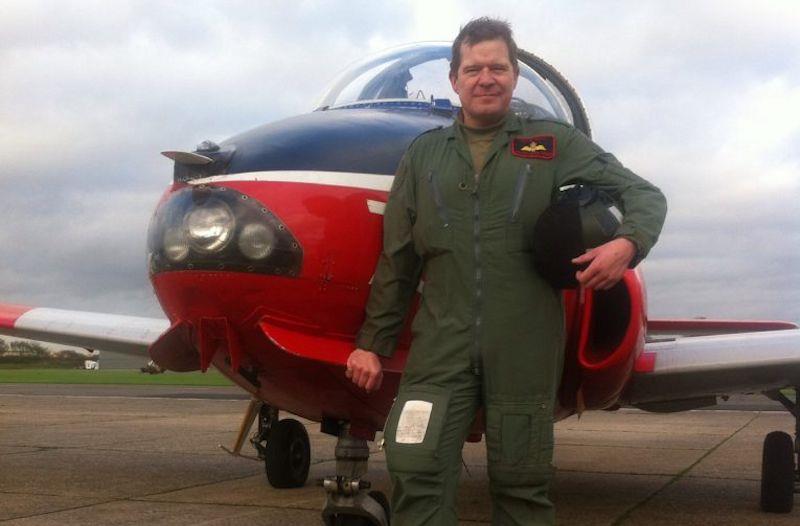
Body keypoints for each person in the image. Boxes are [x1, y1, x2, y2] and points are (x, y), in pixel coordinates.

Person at [346, 17, 667, 526]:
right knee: (414, 465)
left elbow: (644, 195)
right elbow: (399, 259)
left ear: (514, 75)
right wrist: (372, 342)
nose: (486, 78)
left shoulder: (551, 143)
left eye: (497, 67)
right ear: (454, 80)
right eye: (473, 69)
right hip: (440, 344)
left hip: (524, 344)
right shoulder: (424, 155)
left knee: (522, 483)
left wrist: (626, 244)